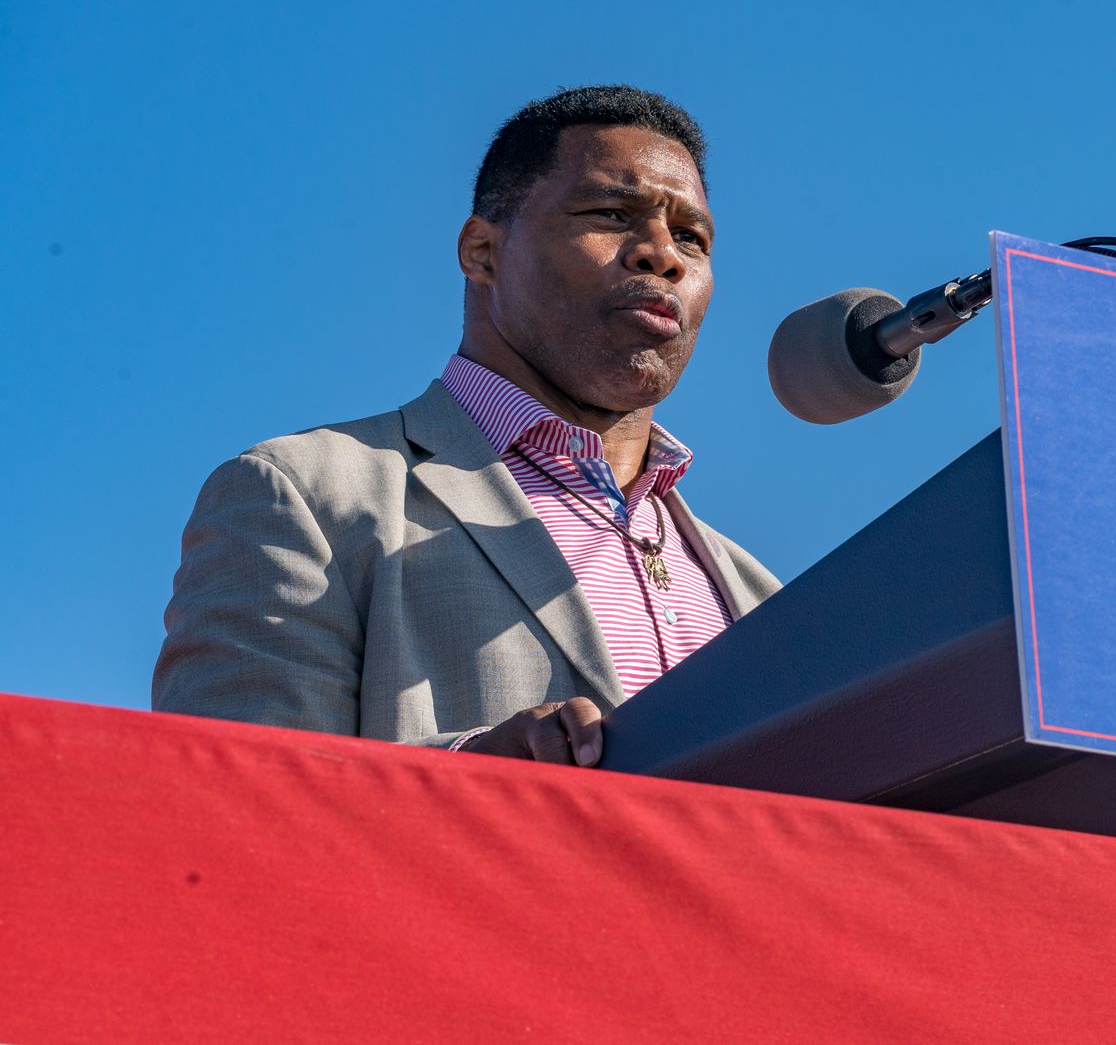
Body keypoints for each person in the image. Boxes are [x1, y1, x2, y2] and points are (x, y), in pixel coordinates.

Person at [153, 86, 778, 767]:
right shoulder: (305, 493)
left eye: (692, 236)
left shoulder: (762, 598)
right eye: (610, 213)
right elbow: (235, 800)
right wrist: (479, 775)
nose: (663, 254)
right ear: (481, 251)